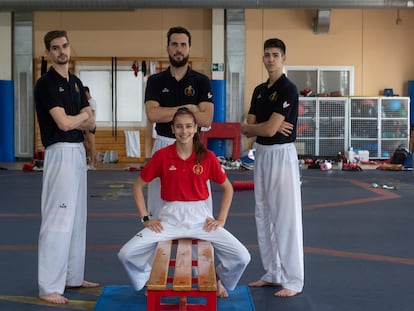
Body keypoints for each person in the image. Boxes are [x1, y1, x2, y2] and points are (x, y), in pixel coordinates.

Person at [118, 107, 250, 298]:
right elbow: (137, 186)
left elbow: (228, 188)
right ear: (172, 129)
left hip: (200, 219)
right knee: (126, 254)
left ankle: (218, 277)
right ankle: (148, 279)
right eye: (179, 126)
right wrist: (145, 218)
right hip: (169, 218)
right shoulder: (162, 156)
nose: (184, 131)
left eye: (189, 126)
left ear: (196, 128)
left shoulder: (206, 156)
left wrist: (221, 219)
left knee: (242, 256)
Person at [34, 30, 99, 304]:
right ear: (48, 53)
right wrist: (83, 116)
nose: (62, 51)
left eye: (65, 46)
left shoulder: (75, 82)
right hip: (59, 152)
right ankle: (48, 285)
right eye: (56, 48)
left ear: (70, 48)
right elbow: (62, 124)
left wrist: (82, 118)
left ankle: (73, 276)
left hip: (77, 154)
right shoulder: (46, 84)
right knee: (58, 220)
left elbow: (92, 124)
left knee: (77, 219)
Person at [241, 38, 304, 297]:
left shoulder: (289, 89)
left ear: (284, 58)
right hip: (262, 154)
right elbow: (247, 128)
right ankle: (273, 272)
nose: (270, 59)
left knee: (285, 217)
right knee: (263, 214)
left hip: (282, 154)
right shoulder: (258, 90)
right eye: (266, 54)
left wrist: (264, 127)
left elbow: (263, 129)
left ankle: (294, 279)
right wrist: (265, 126)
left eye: (275, 54)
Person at [144, 26, 214, 219]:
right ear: (167, 48)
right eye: (174, 44)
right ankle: (159, 248)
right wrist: (188, 110)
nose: (179, 49)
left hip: (193, 147)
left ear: (189, 48)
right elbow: (153, 115)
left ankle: (196, 249)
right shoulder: (156, 81)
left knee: (199, 209)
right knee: (158, 209)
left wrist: (169, 113)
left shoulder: (201, 81)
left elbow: (206, 118)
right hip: (163, 144)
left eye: (183, 45)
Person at [82, 86, 97, 169]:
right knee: (85, 144)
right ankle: (95, 158)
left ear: (87, 92)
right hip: (86, 126)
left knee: (91, 144)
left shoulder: (92, 102)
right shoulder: (87, 102)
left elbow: (92, 114)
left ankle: (92, 163)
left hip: (90, 126)